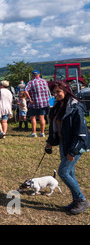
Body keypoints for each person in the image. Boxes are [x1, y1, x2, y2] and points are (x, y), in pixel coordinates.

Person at [46, 81, 89, 215]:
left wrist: (73, 151)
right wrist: (50, 142)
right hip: (64, 143)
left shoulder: (76, 108)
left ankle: (82, 199)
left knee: (63, 172)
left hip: (75, 145)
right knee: (69, 173)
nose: (56, 94)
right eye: (54, 92)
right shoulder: (59, 106)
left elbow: (81, 132)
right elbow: (54, 127)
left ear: (66, 91)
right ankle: (76, 200)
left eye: (58, 91)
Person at [25, 71, 50, 137]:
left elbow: (26, 91)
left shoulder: (31, 82)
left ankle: (34, 133)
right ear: (39, 75)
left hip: (35, 102)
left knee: (33, 117)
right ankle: (42, 133)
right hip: (44, 102)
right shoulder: (44, 81)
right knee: (42, 117)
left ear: (33, 75)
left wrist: (30, 99)